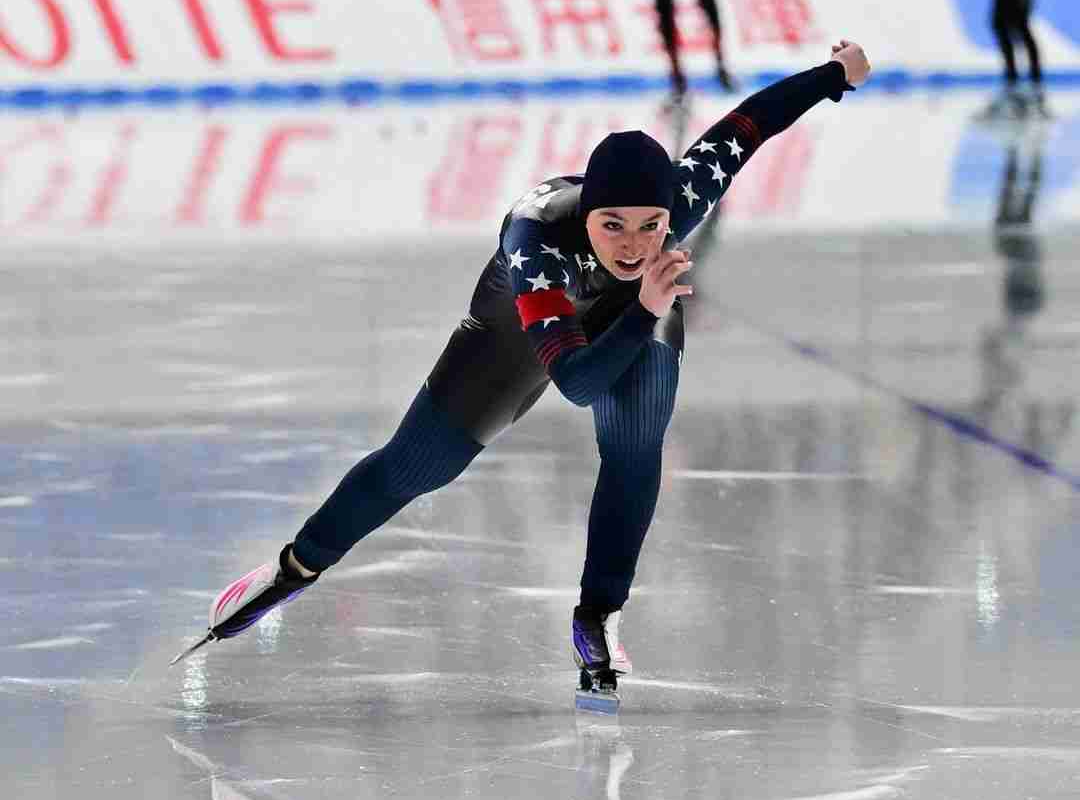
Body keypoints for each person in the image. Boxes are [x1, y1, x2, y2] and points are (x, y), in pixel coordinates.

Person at [174, 42, 873, 695]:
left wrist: (834, 74)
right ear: (589, 214)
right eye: (613, 226)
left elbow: (748, 126)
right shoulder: (536, 240)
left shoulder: (673, 214)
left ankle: (597, 615)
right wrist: (640, 307)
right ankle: (295, 566)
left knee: (635, 450)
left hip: (636, 310)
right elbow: (573, 383)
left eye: (651, 225)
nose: (632, 244)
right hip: (521, 323)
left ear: (672, 213)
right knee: (420, 467)